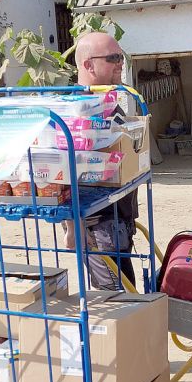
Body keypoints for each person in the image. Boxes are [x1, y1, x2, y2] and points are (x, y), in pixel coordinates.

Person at [63, 32, 138, 291]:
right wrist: (73, 227)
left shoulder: (106, 103)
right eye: (113, 58)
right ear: (88, 65)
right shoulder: (76, 112)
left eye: (121, 57)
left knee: (129, 297)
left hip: (119, 226)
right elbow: (62, 172)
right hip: (99, 231)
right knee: (117, 300)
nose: (120, 63)